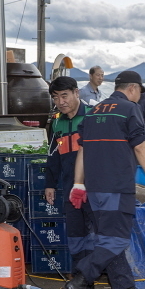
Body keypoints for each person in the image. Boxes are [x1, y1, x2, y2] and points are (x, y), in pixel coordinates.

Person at [64, 70, 145, 289]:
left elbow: (83, 150)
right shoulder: (129, 109)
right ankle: (79, 279)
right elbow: (140, 147)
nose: (139, 97)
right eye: (139, 92)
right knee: (115, 241)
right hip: (117, 187)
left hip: (94, 189)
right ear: (132, 89)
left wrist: (78, 183)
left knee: (108, 240)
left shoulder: (93, 111)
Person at [45, 76, 94, 276]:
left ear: (76, 93)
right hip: (69, 188)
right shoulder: (57, 124)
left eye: (64, 96)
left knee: (95, 234)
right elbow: (53, 157)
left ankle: (92, 275)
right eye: (55, 98)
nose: (60, 102)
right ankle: (80, 277)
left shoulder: (93, 116)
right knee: (75, 235)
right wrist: (50, 184)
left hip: (94, 188)